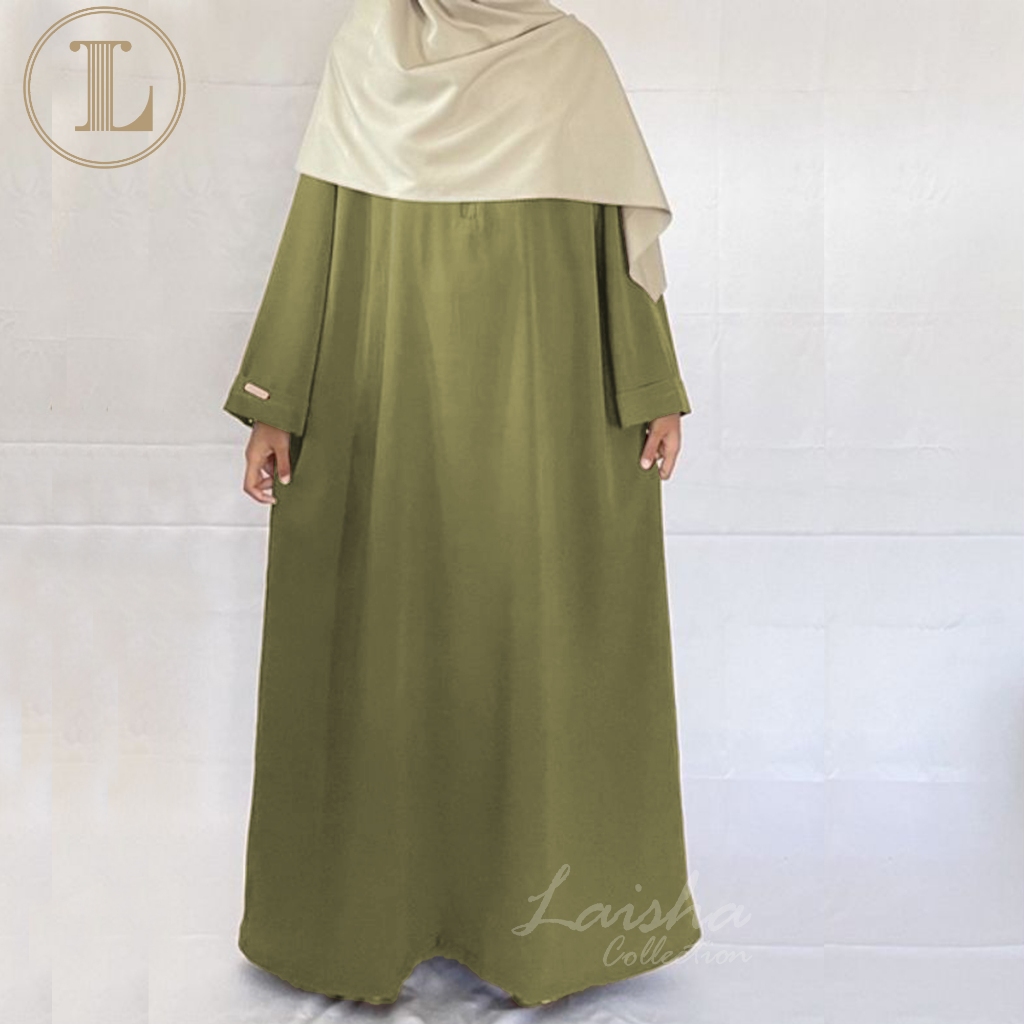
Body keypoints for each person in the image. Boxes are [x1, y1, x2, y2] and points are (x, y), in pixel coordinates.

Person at [222, 0, 702, 1008]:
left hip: (548, 416)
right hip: (386, 403)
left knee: (534, 653)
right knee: (386, 649)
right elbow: (321, 225)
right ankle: (372, 922)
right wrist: (277, 400)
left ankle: (539, 934)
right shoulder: (369, 47)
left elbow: (612, 244)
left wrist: (652, 386)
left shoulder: (568, 57)